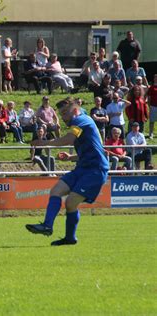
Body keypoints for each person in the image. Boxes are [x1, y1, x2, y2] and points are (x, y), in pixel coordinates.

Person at [26, 98, 109, 246]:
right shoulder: (80, 122)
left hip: (95, 170)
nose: (63, 118)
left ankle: (70, 238)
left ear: (75, 110)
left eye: (65, 113)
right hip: (82, 167)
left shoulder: (81, 120)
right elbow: (95, 149)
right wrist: (72, 157)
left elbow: (70, 139)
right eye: (61, 114)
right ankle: (47, 225)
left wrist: (45, 142)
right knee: (56, 190)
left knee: (70, 202)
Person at [147, 74, 157, 139]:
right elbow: (149, 97)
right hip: (153, 106)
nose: (156, 79)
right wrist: (149, 105)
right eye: (155, 78)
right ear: (154, 79)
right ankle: (151, 134)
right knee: (152, 121)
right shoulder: (151, 87)